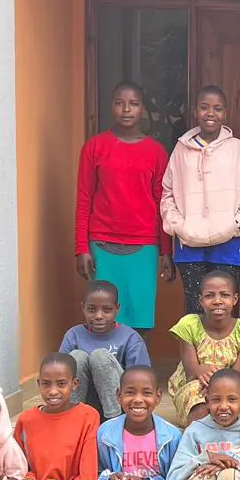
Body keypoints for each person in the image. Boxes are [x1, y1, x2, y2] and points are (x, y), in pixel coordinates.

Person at [75, 81, 174, 333]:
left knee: (140, 317)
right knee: (102, 318)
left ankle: (138, 372)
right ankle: (105, 371)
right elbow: (84, 197)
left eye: (133, 104)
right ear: (111, 107)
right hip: (102, 243)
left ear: (143, 109)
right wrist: (81, 248)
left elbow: (163, 204)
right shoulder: (94, 147)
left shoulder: (156, 153)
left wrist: (166, 251)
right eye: (120, 103)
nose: (126, 110)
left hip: (144, 246)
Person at [160, 86, 240, 315]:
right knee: (194, 310)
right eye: (204, 107)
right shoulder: (181, 149)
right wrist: (177, 226)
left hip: (228, 241)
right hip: (189, 243)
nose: (210, 113)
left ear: (225, 112)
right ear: (195, 111)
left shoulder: (237, 148)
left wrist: (237, 224)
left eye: (217, 108)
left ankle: (224, 353)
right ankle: (193, 352)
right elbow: (167, 192)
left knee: (223, 309)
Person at [167, 270, 240, 427]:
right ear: (200, 300)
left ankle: (224, 438)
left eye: (224, 295)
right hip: (195, 385)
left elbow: (237, 376)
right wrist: (201, 370)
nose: (217, 301)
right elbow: (191, 373)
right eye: (209, 295)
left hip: (228, 384)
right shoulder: (189, 325)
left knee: (237, 400)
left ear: (235, 299)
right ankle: (198, 440)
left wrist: (217, 387)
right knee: (200, 404)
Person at [60, 280, 151, 419]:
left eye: (107, 310)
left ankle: (113, 423)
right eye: (91, 309)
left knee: (100, 356)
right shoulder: (74, 335)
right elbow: (59, 375)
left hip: (118, 404)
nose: (99, 316)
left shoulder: (130, 337)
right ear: (83, 308)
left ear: (117, 308)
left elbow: (142, 379)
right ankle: (73, 418)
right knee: (76, 357)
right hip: (84, 402)